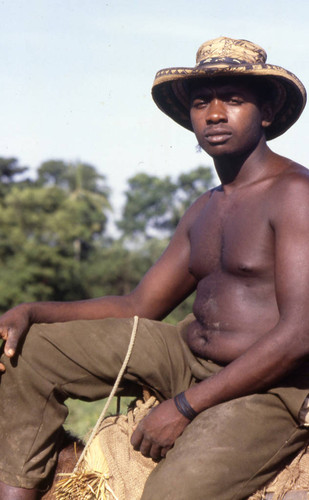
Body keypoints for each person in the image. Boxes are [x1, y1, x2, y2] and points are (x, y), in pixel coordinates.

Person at [0, 36, 309, 500]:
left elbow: (299, 335)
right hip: (187, 357)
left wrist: (183, 407)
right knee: (30, 354)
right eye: (203, 102)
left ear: (266, 112)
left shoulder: (295, 194)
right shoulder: (205, 208)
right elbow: (140, 304)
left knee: (169, 493)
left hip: (269, 386)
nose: (216, 114)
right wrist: (32, 311)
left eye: (234, 99)